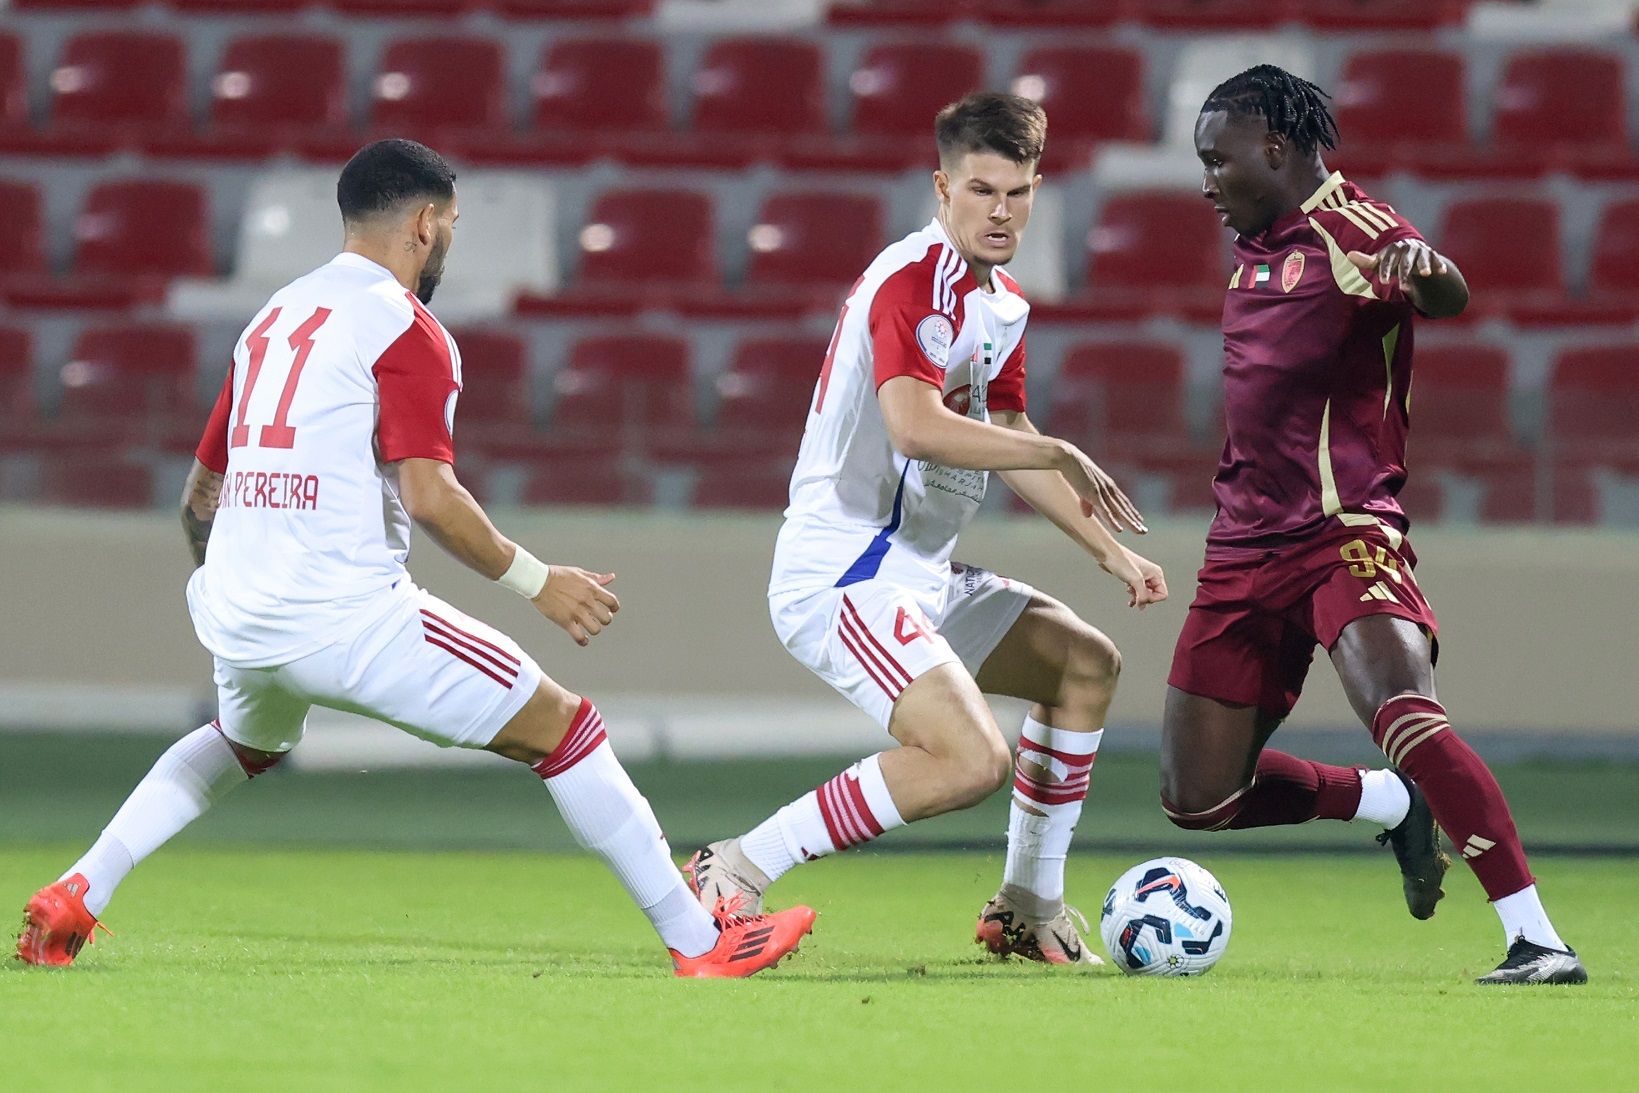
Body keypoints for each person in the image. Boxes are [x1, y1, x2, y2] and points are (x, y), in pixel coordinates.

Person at [16, 139, 814, 978]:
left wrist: (235, 589)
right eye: (454, 224)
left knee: (240, 741)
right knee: (566, 729)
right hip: (346, 615)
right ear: (426, 224)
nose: (450, 238)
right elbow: (432, 495)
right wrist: (541, 583)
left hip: (238, 610)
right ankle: (701, 941)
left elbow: (199, 494)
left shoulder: (272, 318)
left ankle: (78, 890)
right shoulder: (403, 324)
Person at [685, 93, 1167, 967]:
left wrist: (1109, 549)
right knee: (965, 759)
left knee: (1085, 663)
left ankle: (1027, 904)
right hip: (845, 573)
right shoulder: (912, 282)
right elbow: (913, 424)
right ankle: (733, 870)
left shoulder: (1003, 303)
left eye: (1017, 193)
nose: (1000, 211)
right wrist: (1060, 449)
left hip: (920, 572)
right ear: (941, 186)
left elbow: (1013, 439)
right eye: (980, 190)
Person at [1163, 66, 1585, 986]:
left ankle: (1535, 937)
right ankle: (1389, 804)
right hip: (1239, 544)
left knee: (1401, 709)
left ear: (1274, 148)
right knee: (1197, 799)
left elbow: (1439, 288)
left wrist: (1428, 272)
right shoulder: (1252, 238)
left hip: (1343, 529)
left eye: (1215, 159)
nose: (1205, 181)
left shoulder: (1355, 229)